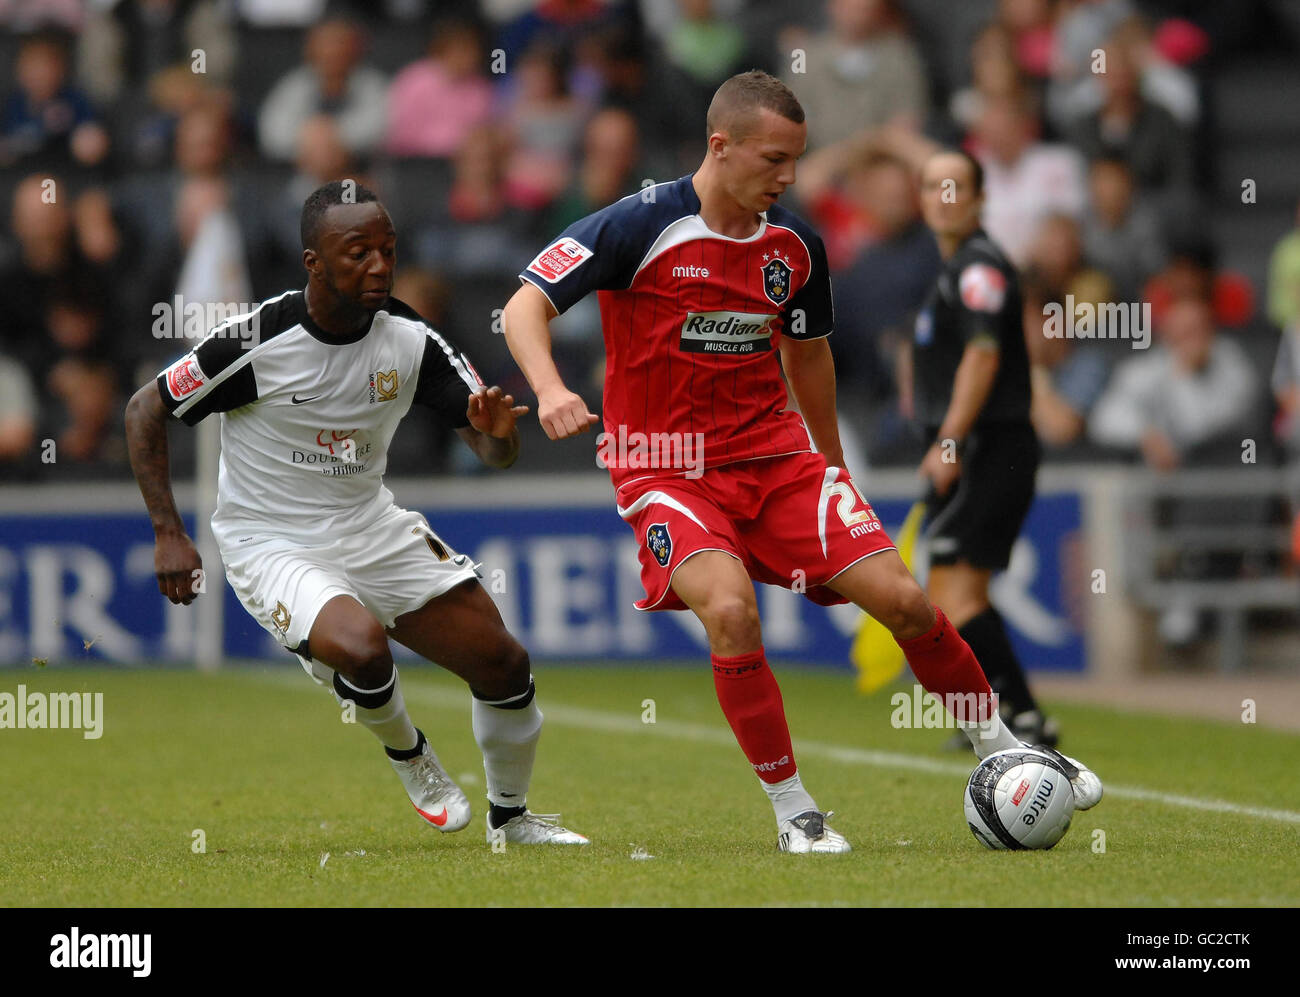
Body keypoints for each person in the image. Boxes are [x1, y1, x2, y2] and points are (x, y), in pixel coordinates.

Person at [500, 71, 1101, 853]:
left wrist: (834, 464)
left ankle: (1007, 748)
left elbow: (809, 358)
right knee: (730, 611)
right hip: (665, 467)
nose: (787, 179)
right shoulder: (637, 224)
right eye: (773, 160)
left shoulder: (794, 244)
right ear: (721, 146)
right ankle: (795, 811)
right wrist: (548, 388)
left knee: (907, 600)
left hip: (779, 458)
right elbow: (524, 305)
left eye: (796, 161)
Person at [123, 181, 587, 848]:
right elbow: (146, 408)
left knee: (504, 663)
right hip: (270, 538)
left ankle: (511, 821)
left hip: (369, 524)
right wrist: (170, 532)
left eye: (388, 251)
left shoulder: (411, 342)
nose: (378, 265)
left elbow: (494, 451)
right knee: (363, 646)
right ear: (314, 262)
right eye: (357, 252)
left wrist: (499, 433)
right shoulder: (257, 341)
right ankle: (411, 756)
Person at [912, 148, 1058, 749]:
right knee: (959, 589)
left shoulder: (978, 268)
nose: (943, 198)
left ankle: (1016, 718)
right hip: (983, 448)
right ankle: (1016, 716)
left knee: (953, 591)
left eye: (955, 187)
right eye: (932, 186)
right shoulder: (959, 269)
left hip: (991, 447)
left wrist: (948, 441)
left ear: (979, 199)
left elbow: (983, 353)